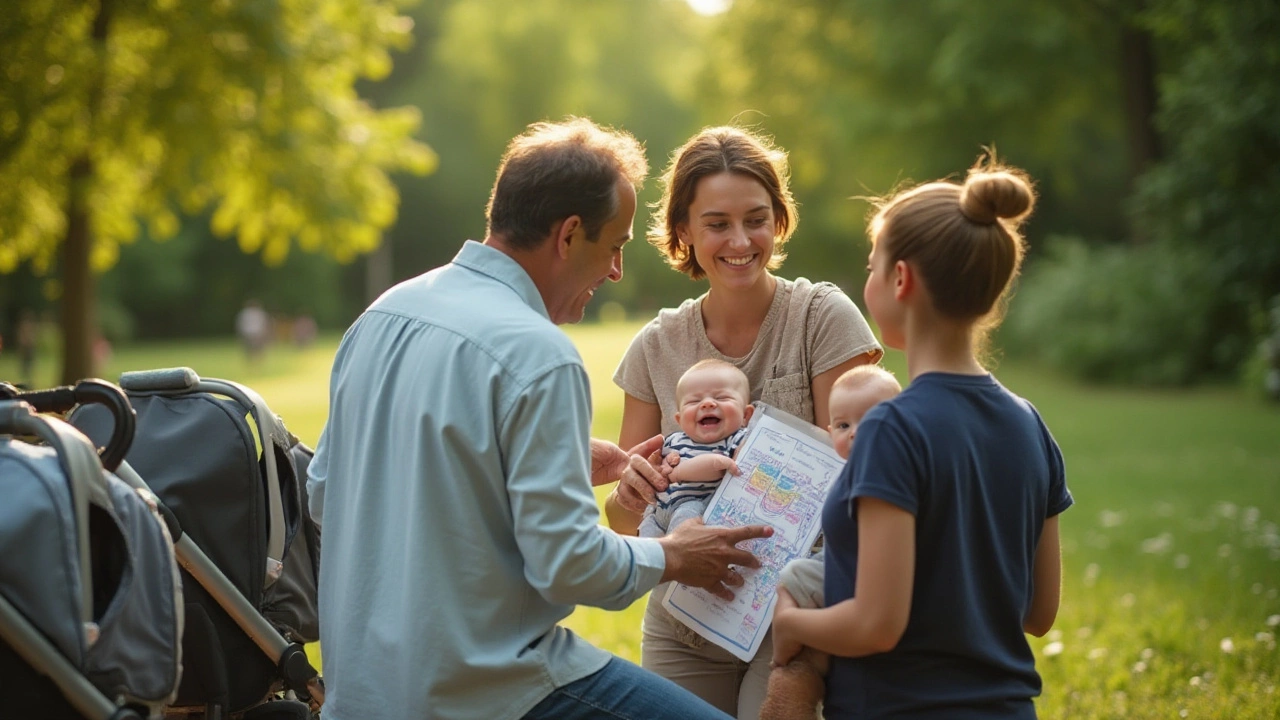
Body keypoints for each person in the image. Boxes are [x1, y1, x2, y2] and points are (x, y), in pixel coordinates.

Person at [306, 117, 774, 720]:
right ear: (570, 235)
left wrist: (538, 463)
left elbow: (325, 494)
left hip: (363, 693)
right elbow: (570, 566)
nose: (614, 273)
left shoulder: (384, 315)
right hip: (498, 688)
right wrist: (676, 554)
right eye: (615, 247)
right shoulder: (540, 353)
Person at [768, 159, 1073, 719]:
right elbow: (1039, 611)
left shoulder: (890, 428)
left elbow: (876, 624)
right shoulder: (1030, 424)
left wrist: (790, 623)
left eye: (872, 267)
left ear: (901, 280)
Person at [607, 126, 883, 719]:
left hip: (797, 620)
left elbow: (875, 477)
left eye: (756, 219)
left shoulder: (821, 318)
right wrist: (633, 494)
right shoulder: (656, 346)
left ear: (780, 222)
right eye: (717, 224)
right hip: (685, 625)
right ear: (683, 229)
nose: (740, 241)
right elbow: (624, 521)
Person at [758, 364, 901, 720]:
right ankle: (795, 670)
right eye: (842, 425)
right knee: (793, 575)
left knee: (793, 578)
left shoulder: (890, 472)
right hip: (843, 562)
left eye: (869, 422)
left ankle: (790, 664)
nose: (854, 434)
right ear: (829, 431)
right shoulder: (844, 470)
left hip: (860, 571)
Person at [639, 359, 755, 539]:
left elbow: (719, 467)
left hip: (695, 507)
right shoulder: (673, 440)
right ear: (679, 420)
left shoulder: (736, 440)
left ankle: (680, 559)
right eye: (694, 401)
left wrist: (675, 474)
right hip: (657, 511)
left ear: (746, 415)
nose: (707, 404)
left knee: (683, 531)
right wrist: (662, 467)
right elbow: (657, 468)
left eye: (722, 397)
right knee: (646, 546)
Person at [235, 299, 270, 365]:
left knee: (252, 349)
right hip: (256, 333)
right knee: (256, 349)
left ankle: (253, 362)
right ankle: (256, 361)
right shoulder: (258, 313)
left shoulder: (245, 313)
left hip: (250, 333)